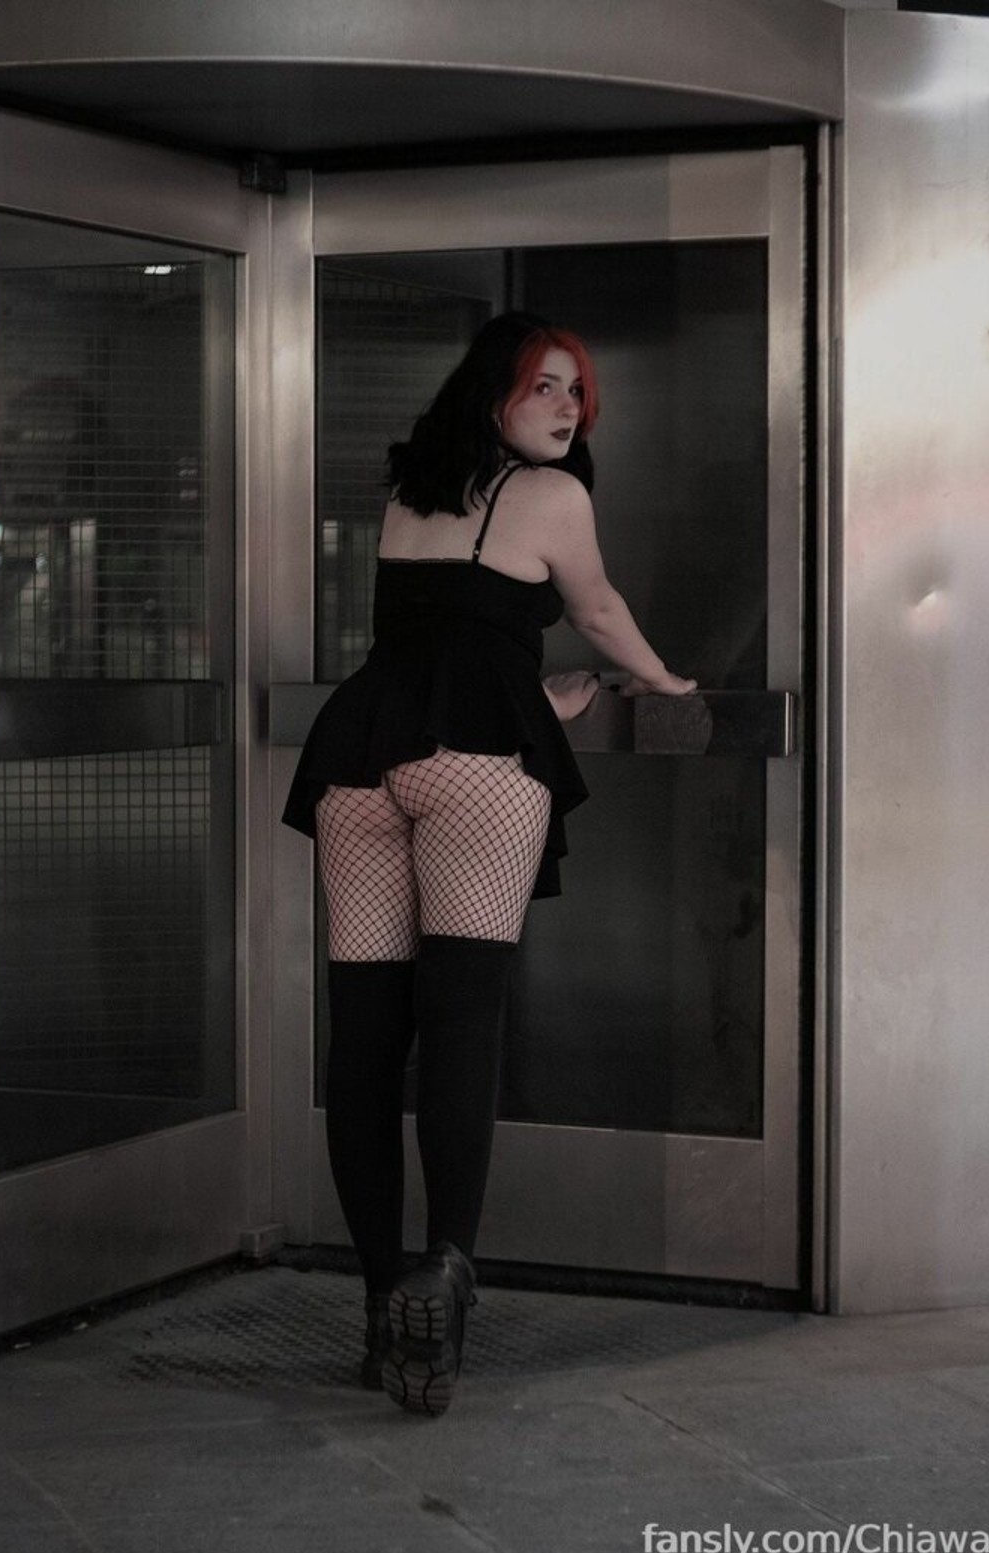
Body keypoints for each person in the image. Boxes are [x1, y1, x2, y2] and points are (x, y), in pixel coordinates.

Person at [282, 311, 695, 1417]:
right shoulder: (551, 495)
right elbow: (595, 608)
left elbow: (434, 642)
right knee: (462, 1018)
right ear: (493, 391)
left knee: (366, 1032)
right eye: (545, 386)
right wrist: (665, 686)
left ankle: (382, 1301)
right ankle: (447, 1276)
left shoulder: (410, 492)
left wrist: (529, 691)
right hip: (475, 768)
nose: (568, 407)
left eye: (577, 391)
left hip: (358, 760)